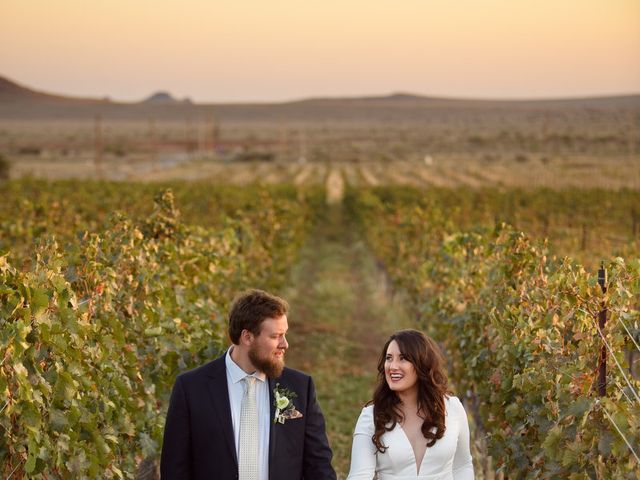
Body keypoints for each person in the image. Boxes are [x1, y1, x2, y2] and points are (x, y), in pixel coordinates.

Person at [161, 289, 337, 480]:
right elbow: (174, 469)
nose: (285, 344)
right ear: (247, 337)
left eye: (284, 334)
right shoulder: (191, 388)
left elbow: (319, 466)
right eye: (275, 336)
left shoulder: (300, 387)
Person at [347, 330, 474, 479]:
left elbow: (462, 466)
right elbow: (359, 476)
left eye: (403, 359)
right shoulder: (371, 416)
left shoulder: (453, 408)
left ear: (423, 363)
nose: (392, 366)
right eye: (389, 358)